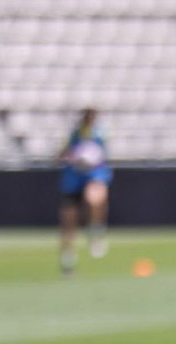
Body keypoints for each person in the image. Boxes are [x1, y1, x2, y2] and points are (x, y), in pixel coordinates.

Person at [58, 108, 112, 275]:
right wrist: (72, 158)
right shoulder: (74, 134)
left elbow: (102, 156)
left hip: (93, 174)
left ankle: (95, 230)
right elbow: (62, 154)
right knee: (69, 222)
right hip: (73, 178)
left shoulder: (99, 134)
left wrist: (91, 162)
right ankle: (68, 259)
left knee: (95, 197)